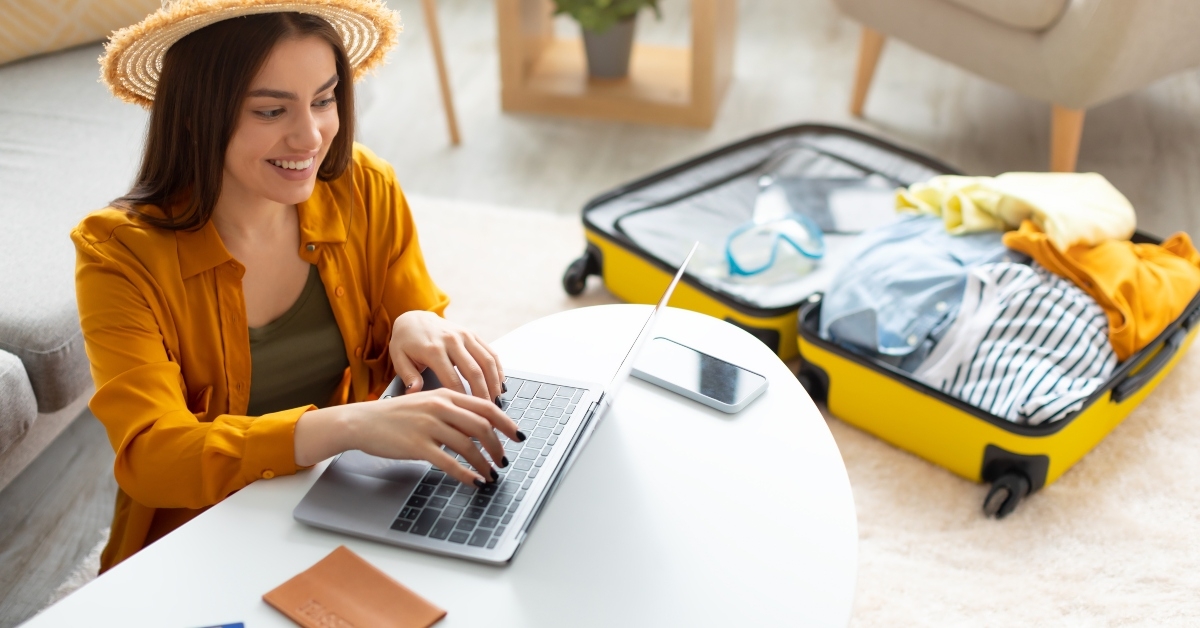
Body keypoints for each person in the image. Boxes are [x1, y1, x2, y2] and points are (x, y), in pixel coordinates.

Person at [73, 0, 521, 573]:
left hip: (349, 506)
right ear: (193, 115)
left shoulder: (364, 187)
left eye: (324, 99)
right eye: (270, 111)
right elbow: (153, 457)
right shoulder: (118, 255)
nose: (310, 136)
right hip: (201, 539)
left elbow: (415, 327)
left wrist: (418, 321)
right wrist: (345, 426)